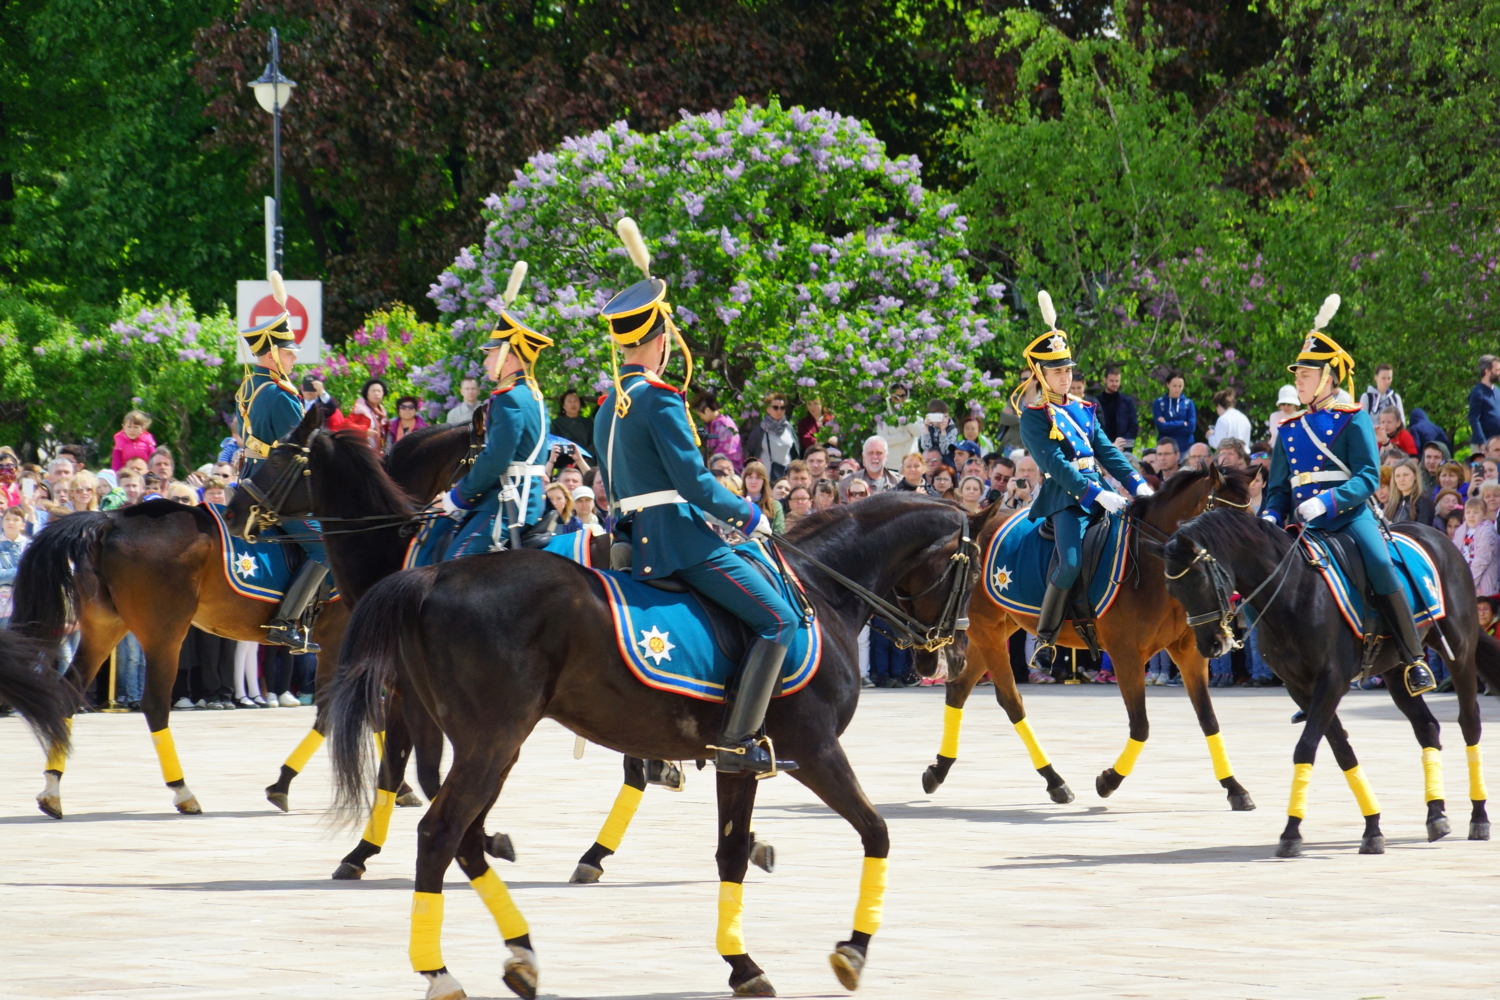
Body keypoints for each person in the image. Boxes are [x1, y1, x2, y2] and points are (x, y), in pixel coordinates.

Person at [594, 221, 796, 774]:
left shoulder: (608, 404)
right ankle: (738, 739)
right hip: (677, 540)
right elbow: (694, 484)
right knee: (780, 621)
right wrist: (752, 514)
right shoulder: (658, 398)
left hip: (628, 540)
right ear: (660, 339)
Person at [1260, 296, 1434, 695]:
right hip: (1301, 524)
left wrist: (1328, 501)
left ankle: (1413, 658)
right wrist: (1270, 515)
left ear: (1328, 378)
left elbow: (1369, 477)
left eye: (1306, 373)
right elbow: (1277, 489)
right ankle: (1300, 670)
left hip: (1348, 514)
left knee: (1379, 563)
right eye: (1299, 374)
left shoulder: (1353, 416)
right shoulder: (1289, 428)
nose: (1299, 380)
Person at [1016, 295, 1151, 672]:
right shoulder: (1034, 416)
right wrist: (1097, 493)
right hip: (1066, 499)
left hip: (1102, 492)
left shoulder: (1084, 408)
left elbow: (1107, 452)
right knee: (1071, 562)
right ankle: (1045, 637)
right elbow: (1055, 465)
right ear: (1040, 373)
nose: (1065, 376)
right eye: (1057, 370)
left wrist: (1137, 484)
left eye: (1068, 370)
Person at [234, 272, 332, 652]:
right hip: (276, 488)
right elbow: (301, 448)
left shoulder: (252, 385)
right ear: (273, 353)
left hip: (252, 477)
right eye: (290, 352)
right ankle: (286, 621)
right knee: (324, 547)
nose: (294, 359)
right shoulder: (278, 394)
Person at [436, 263, 553, 559]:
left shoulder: (508, 397)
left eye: (490, 354)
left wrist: (457, 497)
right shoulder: (533, 395)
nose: (486, 362)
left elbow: (497, 457)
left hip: (510, 502)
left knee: (451, 569)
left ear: (508, 356)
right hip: (523, 495)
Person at [743, 391, 799, 481]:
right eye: (775, 408)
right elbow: (751, 452)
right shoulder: (760, 429)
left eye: (782, 408)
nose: (779, 411)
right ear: (768, 409)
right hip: (765, 478)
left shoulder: (789, 428)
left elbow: (795, 453)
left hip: (786, 478)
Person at [693, 390, 744, 472]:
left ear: (707, 410)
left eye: (700, 415)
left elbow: (723, 451)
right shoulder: (712, 423)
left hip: (729, 468)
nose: (700, 418)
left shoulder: (724, 423)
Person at [1459, 498, 1500, 596]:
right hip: (1463, 582)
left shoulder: (1487, 532)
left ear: (1485, 515)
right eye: (1468, 512)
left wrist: (1467, 584)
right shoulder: (1461, 531)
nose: (1471, 516)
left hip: (1482, 588)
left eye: (1476, 512)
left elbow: (1481, 561)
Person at [1151, 371, 1196, 456]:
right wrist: (1182, 423)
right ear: (1168, 385)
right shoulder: (1159, 403)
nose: (1177, 389)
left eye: (1180, 386)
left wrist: (1168, 424)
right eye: (1174, 386)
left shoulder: (1189, 403)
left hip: (1185, 448)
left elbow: (1191, 428)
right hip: (1165, 449)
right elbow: (1161, 428)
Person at [841, 434, 901, 499]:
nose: (875, 457)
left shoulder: (899, 481)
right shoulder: (847, 483)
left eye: (879, 453)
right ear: (864, 457)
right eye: (870, 453)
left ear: (886, 457)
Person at [1096, 364, 1139, 449]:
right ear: (1105, 380)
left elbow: (1133, 425)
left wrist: (1122, 442)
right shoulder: (1097, 402)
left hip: (1124, 447)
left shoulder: (1127, 402)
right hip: (1104, 447)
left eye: (1117, 381)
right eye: (1111, 381)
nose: (1114, 384)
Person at [0, 505, 28, 629]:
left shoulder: (30, 546)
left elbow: (35, 574)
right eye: (7, 519)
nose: (11, 522)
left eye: (16, 519)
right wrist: (23, 573)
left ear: (23, 525)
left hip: (24, 600)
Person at [741, 461, 786, 534]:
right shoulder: (737, 501)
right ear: (744, 480)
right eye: (750, 477)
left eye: (758, 478)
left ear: (764, 481)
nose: (753, 481)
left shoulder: (775, 505)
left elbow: (779, 532)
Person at [1384, 460, 1434, 525]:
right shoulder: (1392, 504)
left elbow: (1421, 531)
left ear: (1415, 476)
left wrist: (1395, 527)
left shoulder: (1424, 502)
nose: (1401, 479)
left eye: (1405, 475)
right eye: (1397, 476)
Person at [916, 399, 959, 468]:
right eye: (938, 417)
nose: (942, 420)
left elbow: (945, 451)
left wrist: (943, 431)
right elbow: (926, 448)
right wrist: (926, 428)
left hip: (946, 461)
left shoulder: (952, 429)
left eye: (945, 416)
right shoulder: (928, 426)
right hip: (930, 459)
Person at [1468, 355, 1500, 446]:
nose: (1499, 373)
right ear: (1487, 371)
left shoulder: (1497, 391)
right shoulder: (1477, 392)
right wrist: (1482, 442)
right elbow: (1474, 419)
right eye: (1497, 370)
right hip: (1484, 444)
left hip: (1497, 443)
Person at [352, 378, 389, 451]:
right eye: (373, 391)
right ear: (367, 394)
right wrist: (365, 431)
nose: (376, 393)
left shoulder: (381, 412)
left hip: (378, 451)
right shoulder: (360, 409)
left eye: (379, 391)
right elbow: (347, 425)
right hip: (362, 450)